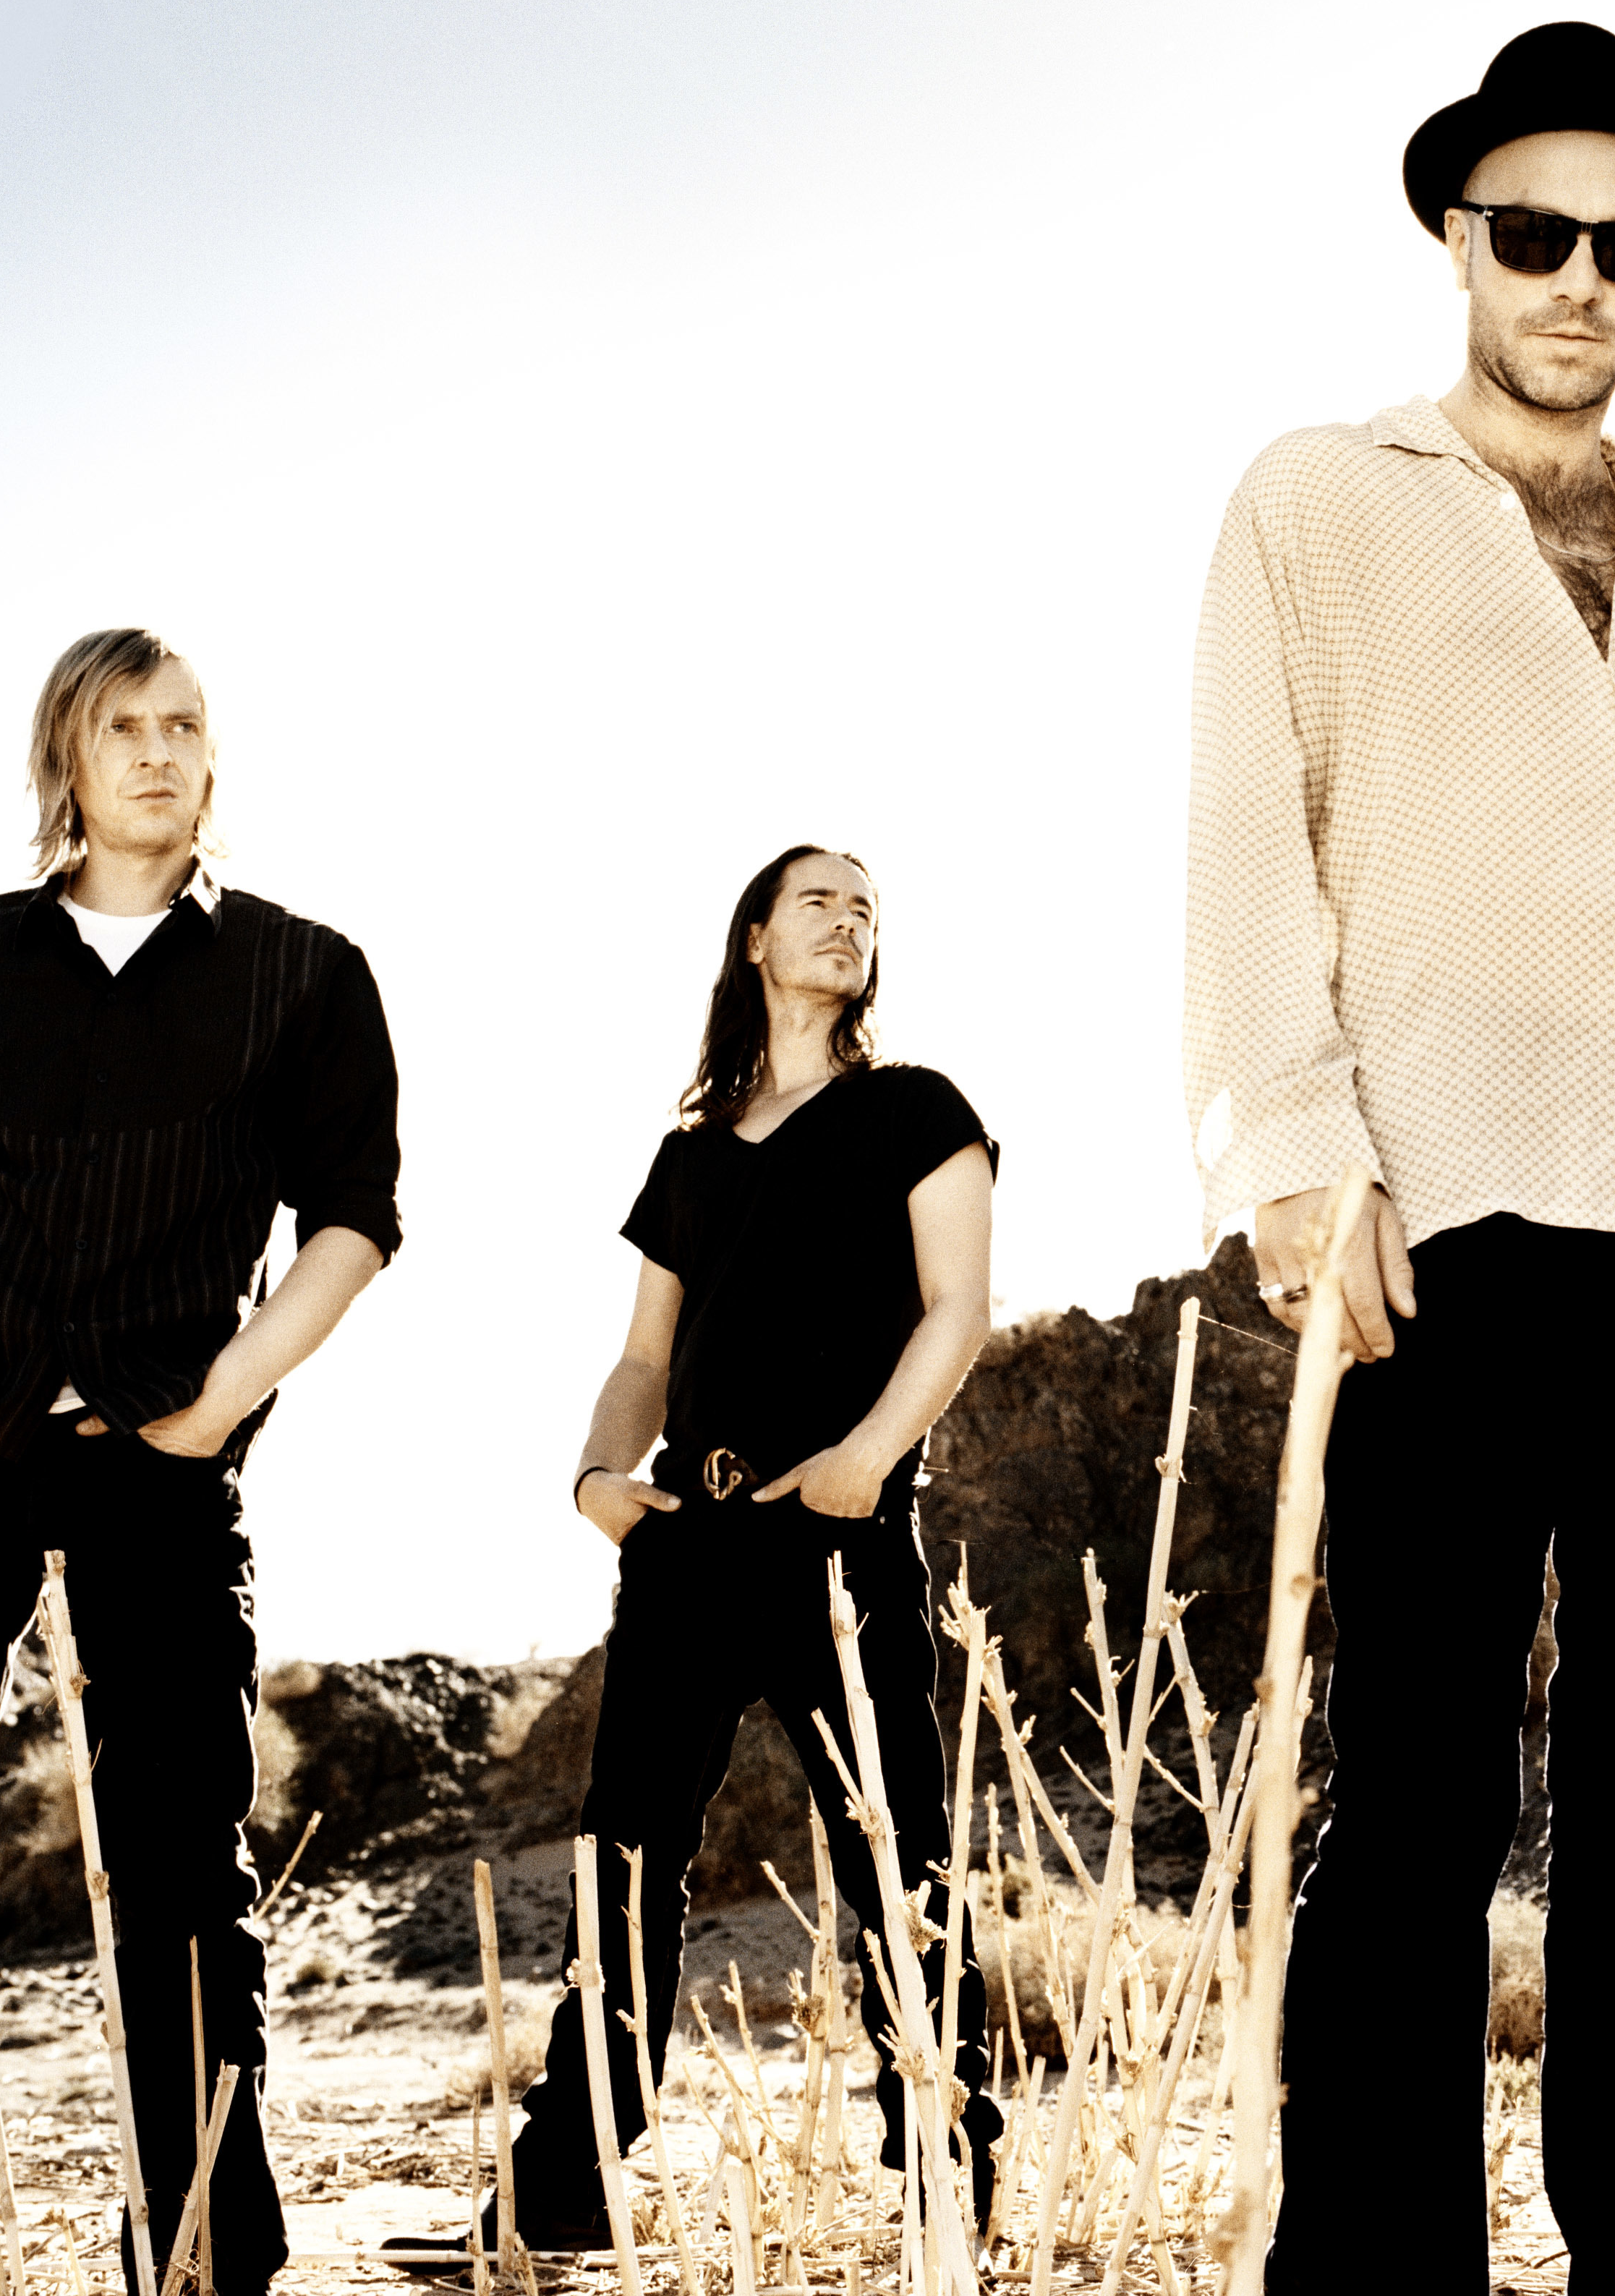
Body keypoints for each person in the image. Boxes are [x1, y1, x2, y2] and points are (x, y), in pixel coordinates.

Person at [1182, 19, 1615, 2294]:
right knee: (1412, 1787)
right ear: (1455, 236)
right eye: (1535, 233)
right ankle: (1374, 2274)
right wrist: (1295, 1143)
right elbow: (1245, 832)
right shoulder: (1317, 494)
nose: (1580, 277)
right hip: (1450, 1208)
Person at [0, 628, 400, 2296]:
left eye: (184, 723)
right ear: (68, 753)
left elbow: (353, 1220)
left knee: (187, 1869)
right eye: (123, 725)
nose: (158, 750)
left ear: (214, 754)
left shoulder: (304, 972)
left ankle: (200, 2255)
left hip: (161, 1474)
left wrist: (225, 1397)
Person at [377, 842, 1000, 2276]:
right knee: (624, 1864)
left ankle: (945, 2179)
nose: (849, 920)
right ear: (755, 938)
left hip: (839, 1539)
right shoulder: (693, 1154)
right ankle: (563, 2195)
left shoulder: (917, 1109)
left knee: (897, 1860)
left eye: (868, 908)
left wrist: (864, 1461)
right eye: (820, 899)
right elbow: (643, 1358)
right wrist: (597, 1479)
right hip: (686, 1545)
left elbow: (958, 1308)